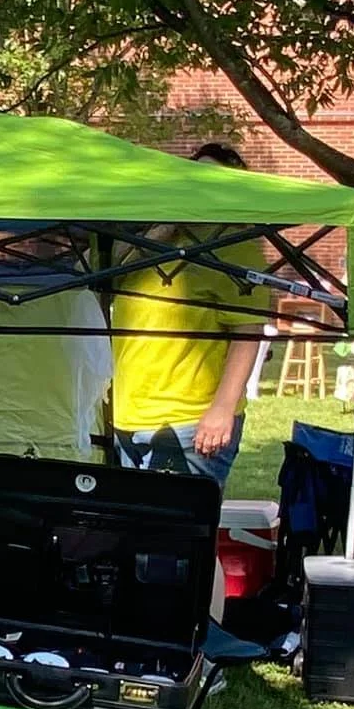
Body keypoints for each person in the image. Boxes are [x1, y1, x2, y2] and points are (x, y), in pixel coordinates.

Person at [109, 142, 269, 488]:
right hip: (129, 415)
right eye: (196, 175)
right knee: (135, 535)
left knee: (173, 538)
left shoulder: (235, 243)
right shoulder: (153, 240)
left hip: (188, 421)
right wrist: (164, 228)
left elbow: (248, 329)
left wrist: (222, 409)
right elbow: (105, 271)